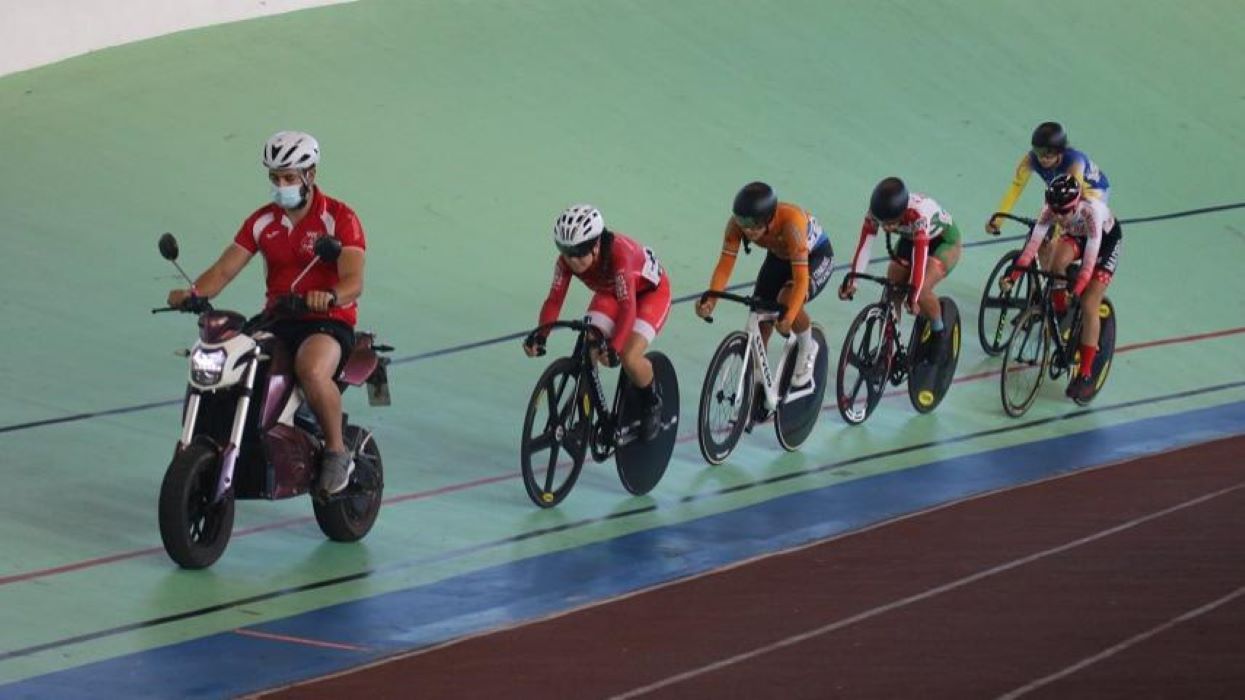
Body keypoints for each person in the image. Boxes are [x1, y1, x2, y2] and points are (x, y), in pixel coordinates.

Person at [166, 131, 366, 493]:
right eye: (274, 178)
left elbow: (353, 281)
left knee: (310, 368)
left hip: (327, 321)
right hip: (278, 318)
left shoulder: (340, 218)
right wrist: (192, 294)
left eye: (288, 177)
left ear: (310, 175)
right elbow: (223, 270)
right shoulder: (262, 221)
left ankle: (337, 452)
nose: (280, 186)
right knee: (234, 361)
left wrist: (329, 296)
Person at [524, 204, 672, 441]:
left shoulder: (620, 257)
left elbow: (628, 308)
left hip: (650, 295)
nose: (572, 260)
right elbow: (554, 300)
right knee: (589, 344)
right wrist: (541, 335)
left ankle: (652, 400)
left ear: (595, 246)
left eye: (578, 253)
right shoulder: (566, 262)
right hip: (612, 291)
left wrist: (615, 347)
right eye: (566, 252)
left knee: (628, 356)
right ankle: (585, 415)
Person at [694, 182, 834, 388]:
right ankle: (759, 382)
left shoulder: (791, 223)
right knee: (760, 318)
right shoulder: (737, 225)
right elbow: (725, 265)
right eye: (743, 224)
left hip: (815, 257)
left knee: (786, 300)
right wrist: (712, 299)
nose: (748, 230)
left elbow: (801, 280)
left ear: (769, 219)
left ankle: (807, 346)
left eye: (754, 225)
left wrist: (789, 316)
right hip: (779, 257)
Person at [1004, 174, 1122, 401]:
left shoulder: (1091, 213)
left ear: (1076, 204)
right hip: (1078, 234)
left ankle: (1085, 373)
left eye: (1063, 211)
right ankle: (1060, 309)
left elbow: (1088, 265)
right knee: (1056, 262)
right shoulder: (1051, 210)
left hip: (1105, 243)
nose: (1058, 216)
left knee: (1089, 303)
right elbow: (1030, 250)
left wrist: (1076, 291)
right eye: (1054, 210)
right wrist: (1013, 276)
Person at [839, 177, 962, 362]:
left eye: (891, 223)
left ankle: (939, 332)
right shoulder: (875, 213)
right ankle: (887, 349)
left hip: (943, 242)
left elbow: (920, 259)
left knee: (921, 291)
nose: (886, 228)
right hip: (910, 239)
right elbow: (864, 246)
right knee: (892, 288)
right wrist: (853, 282)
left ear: (902, 212)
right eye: (883, 223)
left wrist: (914, 296)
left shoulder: (917, 215)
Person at [985, 121, 1111, 236]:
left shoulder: (1074, 163)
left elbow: (1073, 199)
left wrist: (1057, 233)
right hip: (1064, 191)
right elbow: (1014, 190)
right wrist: (998, 220)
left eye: (1048, 155)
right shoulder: (1030, 160)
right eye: (1038, 152)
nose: (1042, 159)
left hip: (1093, 192)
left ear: (1060, 152)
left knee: (1068, 228)